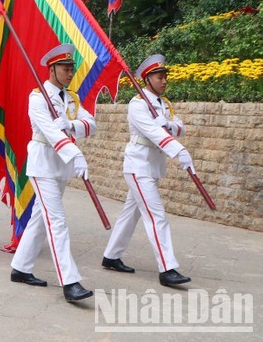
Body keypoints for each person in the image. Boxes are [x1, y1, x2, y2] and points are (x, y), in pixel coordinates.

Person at [10, 44, 96, 302]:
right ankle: (70, 282)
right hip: (43, 162)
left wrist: (71, 123)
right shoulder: (37, 97)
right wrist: (76, 154)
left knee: (40, 216)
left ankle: (20, 268)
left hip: (60, 165)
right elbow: (49, 131)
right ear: (52, 70)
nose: (70, 73)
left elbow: (91, 124)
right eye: (65, 68)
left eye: (71, 69)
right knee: (56, 221)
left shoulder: (72, 99)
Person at [102, 55, 193, 287]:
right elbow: (154, 134)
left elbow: (179, 126)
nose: (164, 81)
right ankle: (167, 268)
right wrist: (178, 150)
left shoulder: (164, 105)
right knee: (156, 216)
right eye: (159, 77)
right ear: (147, 79)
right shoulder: (138, 104)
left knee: (130, 213)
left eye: (165, 77)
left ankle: (111, 256)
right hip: (138, 166)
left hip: (152, 166)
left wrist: (170, 125)